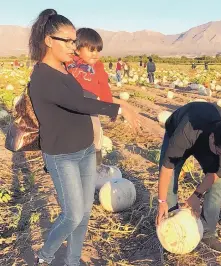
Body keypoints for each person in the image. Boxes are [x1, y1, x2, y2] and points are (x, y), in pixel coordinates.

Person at [28, 9, 140, 266]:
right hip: (62, 156)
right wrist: (119, 108)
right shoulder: (42, 76)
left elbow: (86, 95)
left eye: (74, 40)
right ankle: (44, 256)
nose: (73, 46)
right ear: (48, 41)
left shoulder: (67, 70)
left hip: (85, 150)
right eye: (67, 41)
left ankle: (73, 261)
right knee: (72, 215)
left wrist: (106, 97)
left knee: (85, 213)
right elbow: (77, 103)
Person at [156, 102, 221, 253]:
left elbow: (214, 173)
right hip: (178, 128)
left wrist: (196, 195)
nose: (220, 156)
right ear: (211, 138)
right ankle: (170, 228)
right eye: (219, 152)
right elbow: (167, 167)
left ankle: (208, 234)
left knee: (218, 183)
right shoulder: (184, 133)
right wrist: (161, 201)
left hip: (209, 139)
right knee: (170, 179)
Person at [66, 28, 140, 176]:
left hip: (91, 106)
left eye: (98, 50)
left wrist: (111, 109)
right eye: (91, 50)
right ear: (77, 49)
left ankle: (97, 166)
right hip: (70, 107)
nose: (95, 54)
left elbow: (104, 88)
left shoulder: (98, 67)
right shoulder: (68, 63)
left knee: (96, 133)